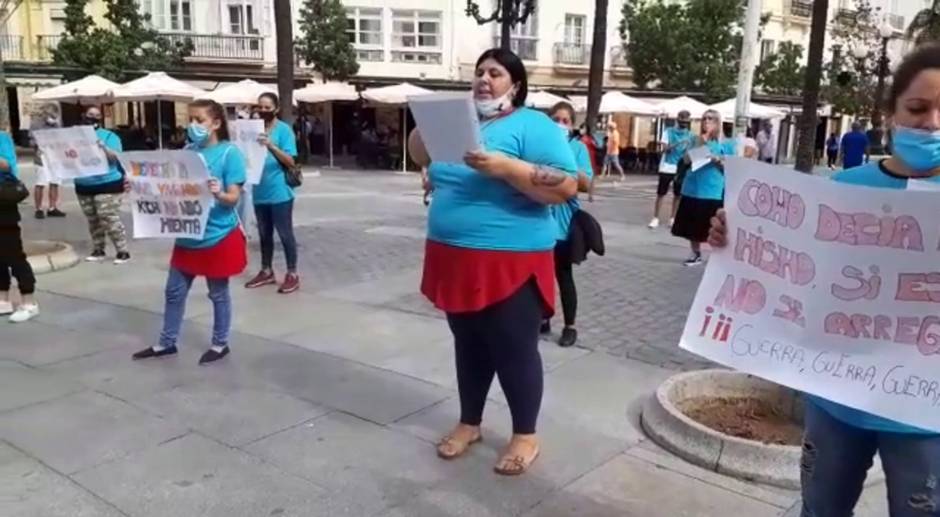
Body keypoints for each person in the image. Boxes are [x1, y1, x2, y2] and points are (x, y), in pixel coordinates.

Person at [708, 43, 940, 517]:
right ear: (891, 112)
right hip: (836, 400)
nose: (933, 123)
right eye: (918, 109)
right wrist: (734, 237)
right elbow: (794, 270)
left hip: (925, 416)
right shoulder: (844, 189)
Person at [409, 48, 578, 476]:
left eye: (495, 73)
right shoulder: (465, 123)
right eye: (480, 72)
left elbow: (567, 186)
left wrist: (507, 168)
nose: (484, 79)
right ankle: (470, 423)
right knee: (468, 344)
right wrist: (427, 123)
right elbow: (419, 155)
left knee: (513, 348)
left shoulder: (532, 125)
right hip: (452, 254)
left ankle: (525, 435)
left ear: (515, 84)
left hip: (510, 258)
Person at [132, 99, 247, 365]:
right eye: (190, 119)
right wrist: (139, 185)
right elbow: (169, 188)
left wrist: (219, 193)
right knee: (173, 291)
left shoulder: (230, 154)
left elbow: (234, 198)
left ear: (216, 123)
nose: (192, 126)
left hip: (218, 235)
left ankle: (220, 343)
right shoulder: (186, 152)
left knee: (218, 293)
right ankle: (166, 342)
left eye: (199, 120)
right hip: (187, 235)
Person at [541, 101, 594, 348]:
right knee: (539, 276)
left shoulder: (577, 148)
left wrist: (563, 163)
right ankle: (543, 318)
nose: (560, 124)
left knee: (563, 276)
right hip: (539, 220)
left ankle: (570, 326)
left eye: (565, 120)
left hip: (563, 223)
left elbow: (586, 183)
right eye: (555, 119)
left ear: (572, 125)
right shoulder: (540, 145)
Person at [244, 92, 300, 294]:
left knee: (285, 234)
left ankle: (292, 273)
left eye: (267, 107)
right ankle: (266, 270)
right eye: (260, 107)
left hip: (279, 193)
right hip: (259, 191)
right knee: (264, 234)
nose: (263, 111)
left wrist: (270, 146)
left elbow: (291, 160)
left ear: (276, 109)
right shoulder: (252, 131)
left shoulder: (284, 130)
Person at [671, 109, 734, 267]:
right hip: (692, 188)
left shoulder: (726, 144)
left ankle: (717, 257)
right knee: (692, 227)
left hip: (712, 190)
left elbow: (731, 168)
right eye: (704, 118)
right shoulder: (695, 139)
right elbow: (685, 160)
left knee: (712, 226)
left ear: (718, 122)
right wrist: (701, 143)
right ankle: (695, 253)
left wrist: (718, 160)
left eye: (711, 119)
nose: (707, 121)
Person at [75, 106, 131, 265]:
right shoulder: (75, 136)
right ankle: (98, 249)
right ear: (83, 115)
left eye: (96, 115)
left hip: (108, 183)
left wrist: (102, 146)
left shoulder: (109, 136)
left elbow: (116, 158)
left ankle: (122, 250)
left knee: (108, 217)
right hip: (84, 184)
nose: (93, 117)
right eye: (90, 114)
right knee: (93, 220)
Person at [0, 130, 39, 323]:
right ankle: (3, 300)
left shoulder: (2, 138)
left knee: (14, 256)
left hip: (3, 206)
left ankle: (29, 302)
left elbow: (8, 165)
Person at [650, 111, 695, 229]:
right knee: (661, 193)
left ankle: (673, 218)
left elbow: (690, 153)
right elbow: (665, 149)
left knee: (678, 194)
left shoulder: (690, 135)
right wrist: (678, 143)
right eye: (682, 121)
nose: (684, 124)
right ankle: (655, 217)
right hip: (666, 166)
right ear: (678, 120)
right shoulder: (668, 132)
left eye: (686, 122)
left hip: (680, 168)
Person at [29, 104, 65, 219]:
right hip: (42, 157)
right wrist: (38, 145)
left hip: (55, 157)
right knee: (40, 183)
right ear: (44, 113)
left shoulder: (57, 124)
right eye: (50, 114)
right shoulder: (36, 124)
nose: (52, 117)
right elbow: (31, 141)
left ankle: (52, 207)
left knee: (55, 182)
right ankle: (38, 208)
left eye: (54, 114)